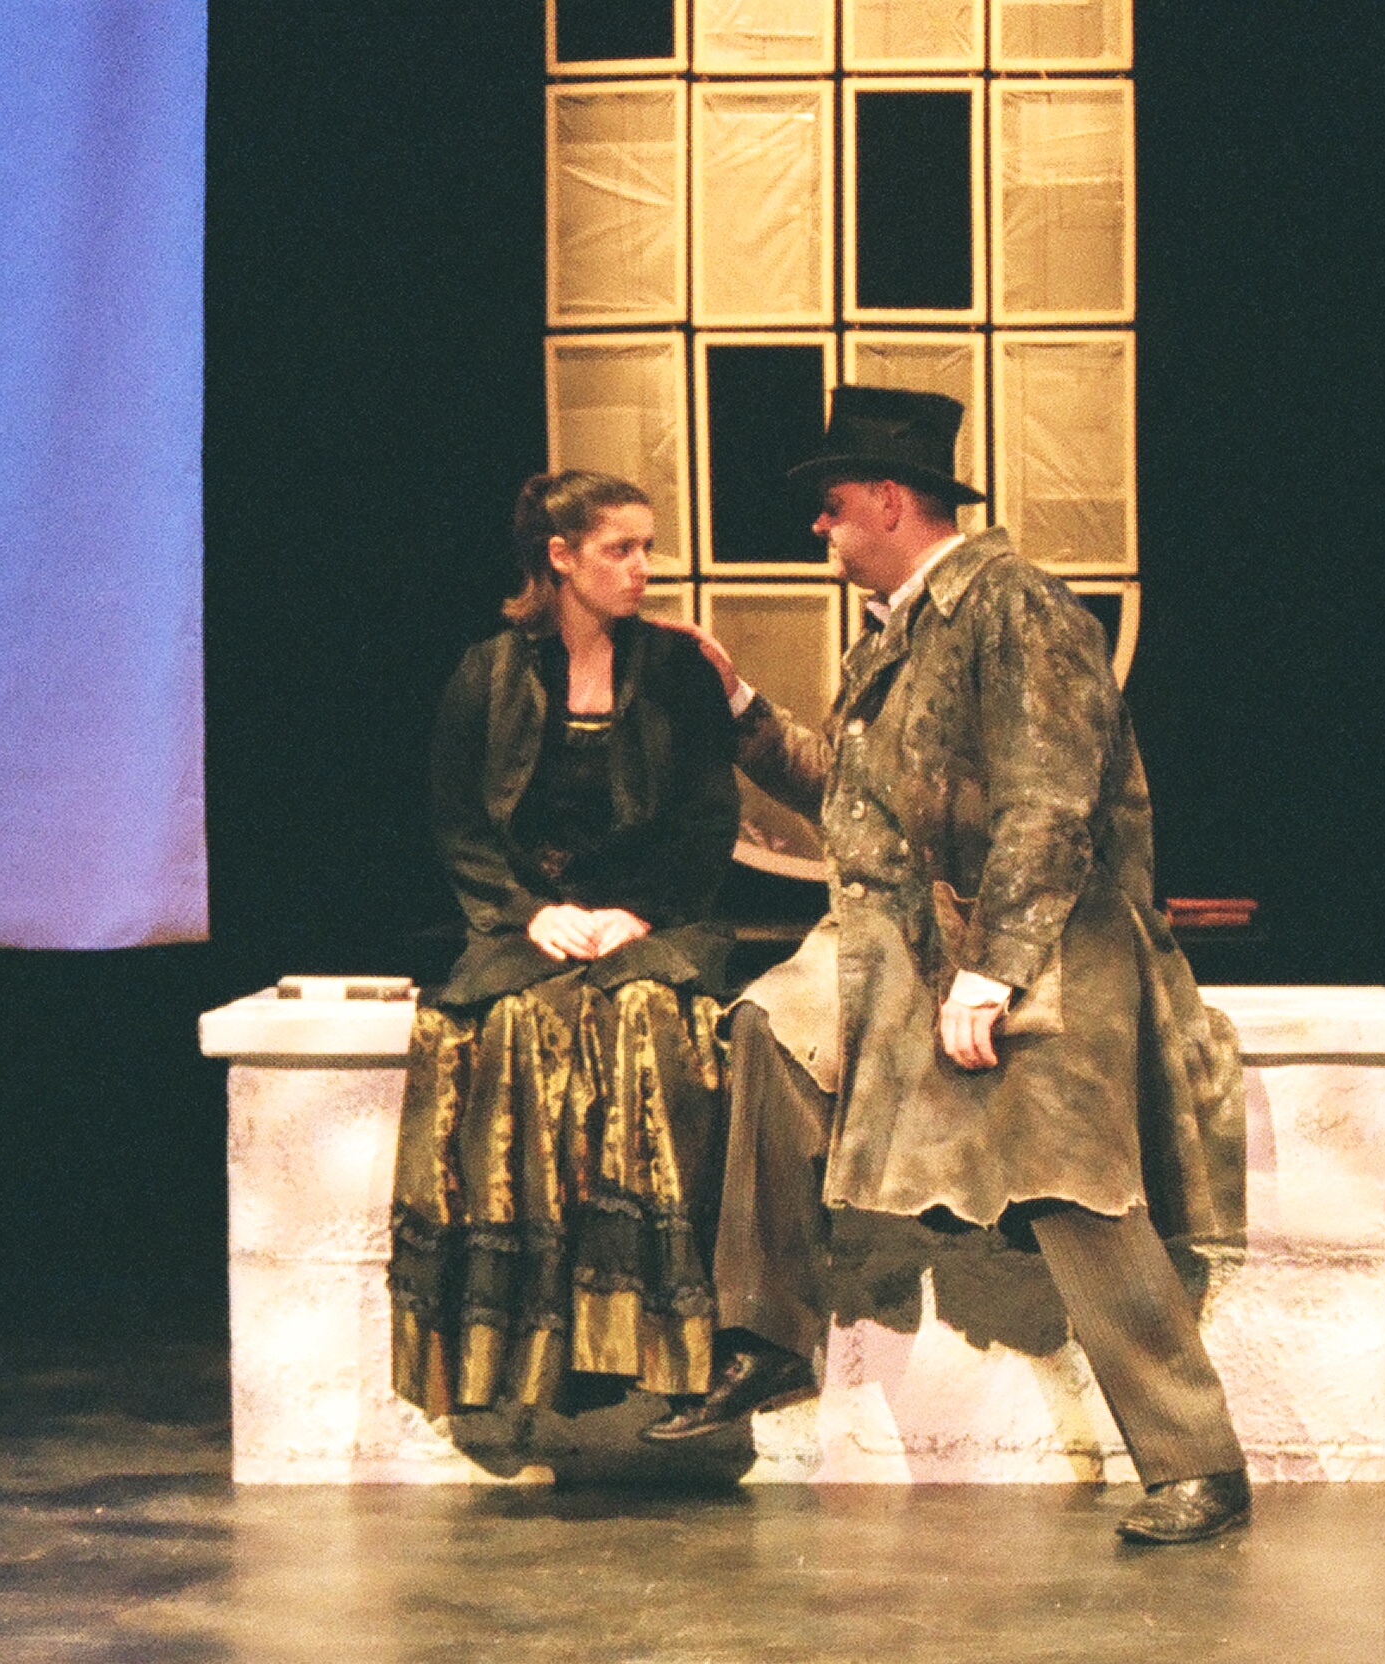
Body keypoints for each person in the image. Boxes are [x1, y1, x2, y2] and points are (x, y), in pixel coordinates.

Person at [640, 388, 1258, 1546]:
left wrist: (997, 970)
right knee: (770, 1032)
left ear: (889, 499)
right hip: (909, 938)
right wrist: (740, 708)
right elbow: (852, 797)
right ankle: (765, 1335)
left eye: (831, 506)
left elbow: (1049, 797)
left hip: (1046, 933)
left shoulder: (1014, 608)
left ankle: (1197, 1461)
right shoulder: (895, 634)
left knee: (1066, 1166)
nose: (819, 530)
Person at [387, 470, 744, 1426]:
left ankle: (643, 1339)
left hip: (654, 919)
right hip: (530, 922)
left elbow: (708, 820)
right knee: (507, 1026)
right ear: (561, 557)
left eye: (646, 548)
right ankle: (522, 1348)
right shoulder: (488, 673)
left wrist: (640, 912)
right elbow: (460, 823)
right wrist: (526, 912)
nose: (642, 568)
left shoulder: (675, 672)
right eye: (620, 549)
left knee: (644, 1016)